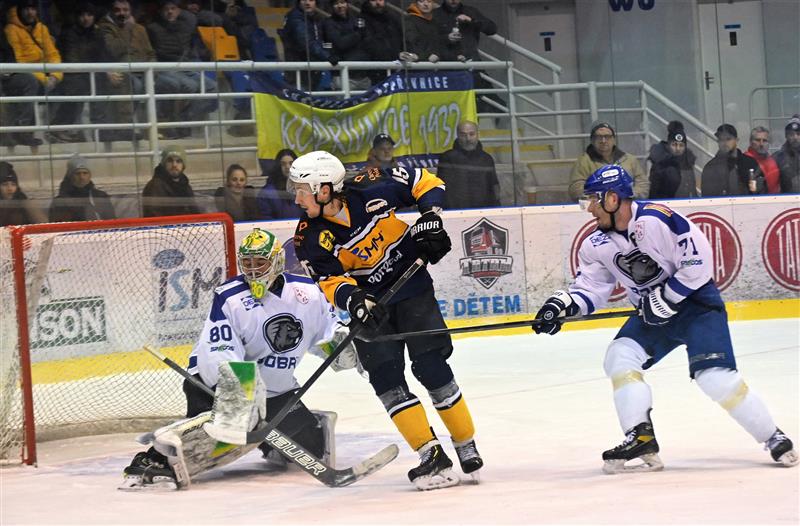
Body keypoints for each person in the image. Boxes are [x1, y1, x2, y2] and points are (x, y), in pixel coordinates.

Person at [532, 164, 798, 473]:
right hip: (652, 313)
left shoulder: (657, 219)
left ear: (613, 199)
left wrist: (667, 298)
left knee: (713, 377)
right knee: (620, 356)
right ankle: (640, 435)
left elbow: (698, 262)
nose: (589, 208)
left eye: (594, 199)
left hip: (696, 305)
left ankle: (773, 436)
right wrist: (562, 305)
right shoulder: (596, 244)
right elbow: (591, 289)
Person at [288, 151, 482, 490]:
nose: (297, 197)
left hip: (414, 290)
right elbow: (330, 281)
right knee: (387, 380)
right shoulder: (308, 236)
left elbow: (426, 182)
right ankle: (431, 455)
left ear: (324, 189)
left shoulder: (372, 184)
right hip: (371, 310)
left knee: (432, 367)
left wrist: (430, 217)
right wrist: (355, 300)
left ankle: (466, 443)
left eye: (302, 189)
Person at [121, 228, 359, 489]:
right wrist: (242, 396)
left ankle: (268, 442)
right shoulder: (230, 297)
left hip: (275, 392)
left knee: (311, 444)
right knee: (214, 437)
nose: (253, 270)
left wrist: (342, 347)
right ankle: (152, 458)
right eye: (247, 263)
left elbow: (326, 335)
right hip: (217, 386)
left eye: (260, 262)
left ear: (277, 261)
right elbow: (219, 350)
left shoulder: (309, 293)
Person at [147, 0, 218, 139]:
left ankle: (185, 119)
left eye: (173, 8)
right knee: (185, 86)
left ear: (179, 11)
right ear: (161, 11)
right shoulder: (152, 28)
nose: (170, 12)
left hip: (185, 67)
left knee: (212, 88)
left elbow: (211, 23)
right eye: (166, 9)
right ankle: (169, 123)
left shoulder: (186, 24)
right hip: (164, 67)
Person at [3, 0, 62, 147]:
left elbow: (53, 54)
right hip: (19, 74)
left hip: (43, 76)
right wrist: (43, 78)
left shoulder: (41, 28)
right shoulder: (11, 29)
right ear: (19, 11)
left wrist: (55, 76)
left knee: (71, 84)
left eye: (33, 9)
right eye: (26, 9)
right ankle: (23, 130)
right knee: (29, 82)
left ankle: (57, 130)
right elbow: (18, 60)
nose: (30, 13)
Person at [47, 2, 106, 143]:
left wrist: (108, 71)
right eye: (82, 15)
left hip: (89, 74)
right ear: (77, 17)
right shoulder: (69, 33)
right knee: (77, 86)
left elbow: (103, 55)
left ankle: (103, 129)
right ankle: (58, 127)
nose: (85, 18)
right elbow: (71, 59)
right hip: (69, 74)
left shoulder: (97, 34)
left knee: (107, 82)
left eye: (89, 15)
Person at [97, 0, 155, 142]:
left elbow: (151, 54)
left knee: (171, 84)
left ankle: (166, 128)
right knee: (134, 84)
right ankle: (124, 128)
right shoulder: (105, 28)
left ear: (130, 12)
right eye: (117, 10)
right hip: (121, 72)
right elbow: (114, 50)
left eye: (125, 10)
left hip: (145, 71)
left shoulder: (140, 29)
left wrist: (153, 72)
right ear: (111, 11)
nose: (121, 13)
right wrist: (127, 30)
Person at [568, 121, 648, 201]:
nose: (603, 141)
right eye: (599, 137)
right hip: (598, 209)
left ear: (613, 139)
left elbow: (643, 184)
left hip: (627, 207)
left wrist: (629, 195)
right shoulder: (583, 162)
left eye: (607, 136)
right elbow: (576, 189)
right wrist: (601, 197)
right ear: (592, 140)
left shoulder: (630, 160)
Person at [436, 120, 500, 209]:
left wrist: (496, 210)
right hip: (455, 212)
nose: (468, 139)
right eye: (463, 135)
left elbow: (493, 187)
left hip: (483, 211)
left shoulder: (486, 159)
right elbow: (443, 190)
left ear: (478, 134)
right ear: (457, 135)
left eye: (472, 134)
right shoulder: (447, 158)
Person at [278, 0, 336, 89]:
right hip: (297, 71)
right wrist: (327, 56)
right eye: (304, 0)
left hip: (313, 71)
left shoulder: (315, 18)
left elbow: (321, 40)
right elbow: (306, 42)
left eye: (311, 0)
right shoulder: (295, 18)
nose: (307, 3)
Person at [701, 124, 764, 197]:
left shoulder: (750, 163)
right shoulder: (710, 167)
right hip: (720, 207)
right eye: (721, 139)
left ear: (736, 140)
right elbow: (707, 198)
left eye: (728, 139)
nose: (724, 143)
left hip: (747, 207)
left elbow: (761, 192)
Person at [49, 154, 116, 222]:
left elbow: (112, 222)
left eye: (85, 173)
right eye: (77, 174)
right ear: (70, 176)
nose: (82, 177)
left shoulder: (101, 196)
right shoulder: (61, 201)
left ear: (90, 175)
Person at [322, 0, 371, 90]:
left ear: (347, 4)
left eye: (342, 2)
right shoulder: (328, 23)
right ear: (332, 6)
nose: (340, 6)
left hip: (363, 75)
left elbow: (367, 42)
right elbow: (340, 44)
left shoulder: (357, 20)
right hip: (343, 75)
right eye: (336, 3)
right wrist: (358, 34)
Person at [142, 145, 201, 217]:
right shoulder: (155, 186)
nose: (174, 165)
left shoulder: (185, 186)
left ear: (183, 165)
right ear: (164, 164)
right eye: (170, 161)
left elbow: (195, 213)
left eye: (178, 161)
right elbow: (153, 217)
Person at [646, 120, 697, 199]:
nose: (678, 148)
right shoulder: (660, 164)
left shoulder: (687, 162)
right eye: (674, 145)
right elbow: (654, 191)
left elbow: (692, 188)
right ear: (668, 145)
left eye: (681, 145)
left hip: (686, 204)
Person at [360, 0, 403, 84]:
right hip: (374, 70)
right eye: (373, 0)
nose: (377, 3)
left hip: (396, 68)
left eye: (380, 0)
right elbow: (367, 43)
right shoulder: (362, 19)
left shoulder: (392, 18)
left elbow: (401, 38)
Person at [257, 148, 302, 220]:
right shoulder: (267, 193)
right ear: (278, 166)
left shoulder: (304, 188)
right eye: (283, 164)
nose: (287, 167)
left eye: (291, 163)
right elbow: (266, 219)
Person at [0, 161, 46, 226]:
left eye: (13, 184)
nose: (10, 188)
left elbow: (43, 223)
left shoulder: (22, 200)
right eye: (4, 185)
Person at [743, 126, 780, 194]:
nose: (761, 144)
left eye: (765, 140)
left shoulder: (773, 161)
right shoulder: (744, 161)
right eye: (757, 140)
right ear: (750, 142)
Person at [775, 115, 800, 194]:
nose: (795, 137)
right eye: (791, 134)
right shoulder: (777, 158)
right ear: (786, 136)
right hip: (787, 203)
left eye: (798, 134)